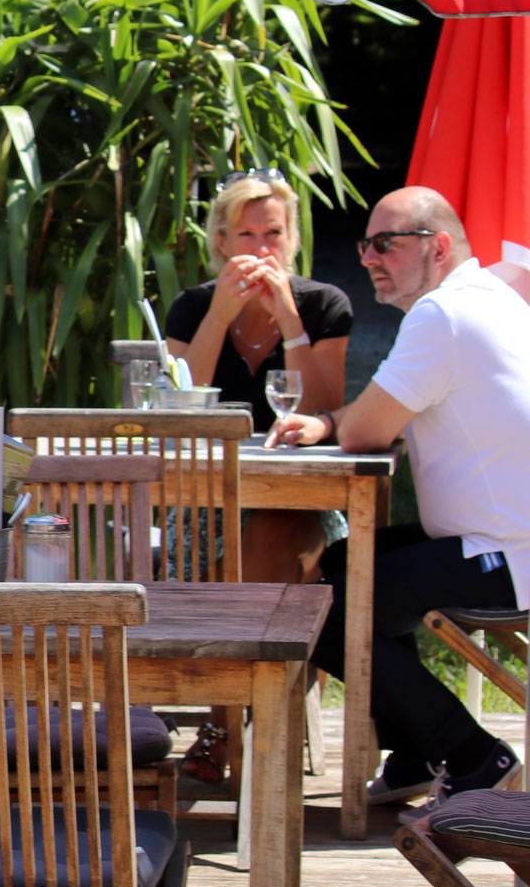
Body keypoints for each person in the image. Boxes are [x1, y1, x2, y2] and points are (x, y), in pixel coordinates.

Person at [270, 187, 530, 811]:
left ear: (437, 247)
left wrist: (332, 424)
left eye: (386, 244)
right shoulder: (492, 295)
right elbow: (383, 414)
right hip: (500, 540)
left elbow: (366, 430)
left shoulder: (442, 316)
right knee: (343, 564)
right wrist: (332, 422)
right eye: (365, 245)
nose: (368, 258)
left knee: (324, 612)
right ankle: (415, 753)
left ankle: (473, 756)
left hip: (507, 554)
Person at [165, 170, 353, 582]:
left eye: (273, 233)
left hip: (299, 491)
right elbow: (179, 412)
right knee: (215, 569)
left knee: (270, 538)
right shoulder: (192, 308)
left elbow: (323, 412)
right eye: (246, 235)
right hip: (209, 492)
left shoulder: (324, 305)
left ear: (292, 238)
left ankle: (233, 623)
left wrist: (289, 320)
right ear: (223, 243)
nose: (262, 249)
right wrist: (218, 317)